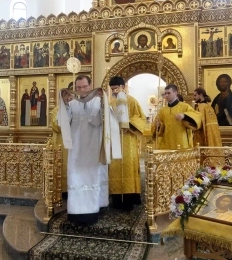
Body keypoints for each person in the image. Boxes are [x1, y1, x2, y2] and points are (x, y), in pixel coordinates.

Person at [57, 75, 108, 225]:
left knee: (93, 175)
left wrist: (104, 104)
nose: (81, 90)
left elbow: (104, 121)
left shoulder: (98, 100)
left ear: (90, 86)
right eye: (78, 88)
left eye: (84, 87)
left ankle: (94, 209)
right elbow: (62, 122)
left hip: (93, 147)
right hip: (77, 149)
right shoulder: (72, 103)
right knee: (75, 176)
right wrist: (65, 105)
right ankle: (76, 212)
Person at [108, 76, 146, 211]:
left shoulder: (132, 101)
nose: (114, 92)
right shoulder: (111, 103)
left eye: (116, 89)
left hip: (129, 140)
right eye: (112, 89)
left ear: (123, 87)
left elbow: (141, 118)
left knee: (129, 167)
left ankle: (131, 198)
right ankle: (117, 199)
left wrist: (128, 124)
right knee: (115, 168)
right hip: (115, 140)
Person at [151, 84, 202, 149]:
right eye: (165, 93)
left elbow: (197, 117)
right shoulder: (162, 110)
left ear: (175, 93)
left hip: (181, 143)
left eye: (169, 93)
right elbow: (157, 130)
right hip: (167, 143)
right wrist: (158, 126)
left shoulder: (184, 106)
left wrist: (185, 116)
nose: (166, 95)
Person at [51, 89, 74, 198]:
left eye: (70, 95)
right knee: (62, 165)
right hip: (61, 142)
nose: (68, 98)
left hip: (73, 143)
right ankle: (62, 190)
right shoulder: (56, 110)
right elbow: (56, 126)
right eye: (66, 95)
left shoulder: (74, 109)